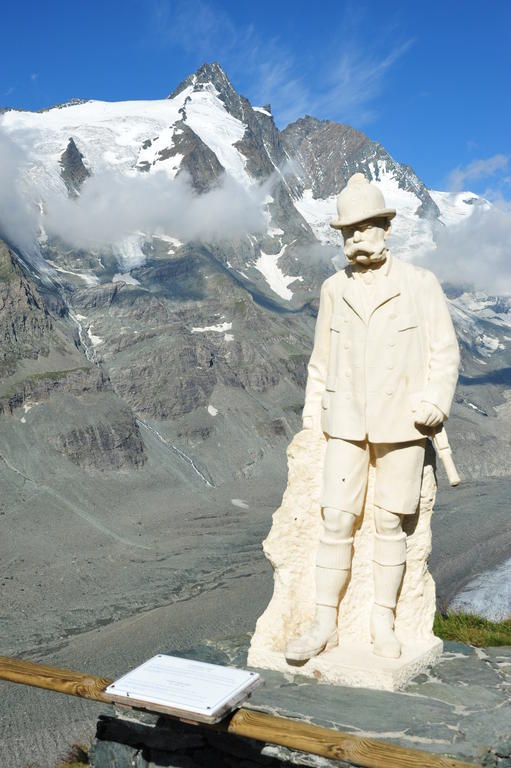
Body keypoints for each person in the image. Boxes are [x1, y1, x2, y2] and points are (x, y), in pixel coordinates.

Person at [285, 173, 460, 661]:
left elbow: (444, 351)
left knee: (389, 524)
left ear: (385, 226)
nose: (355, 237)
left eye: (363, 227)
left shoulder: (419, 284)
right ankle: (324, 622)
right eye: (347, 231)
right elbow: (320, 361)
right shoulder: (332, 290)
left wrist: (436, 401)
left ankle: (383, 619)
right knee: (336, 519)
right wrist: (308, 421)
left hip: (403, 424)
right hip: (344, 420)